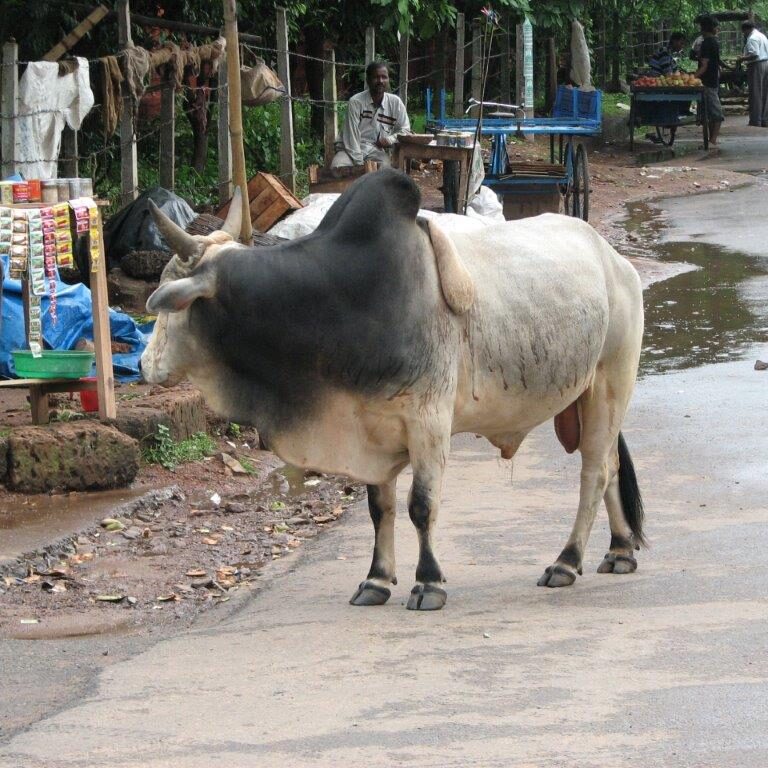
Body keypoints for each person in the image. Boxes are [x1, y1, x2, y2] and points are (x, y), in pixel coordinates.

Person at [331, 61, 411, 168]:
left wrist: (389, 140)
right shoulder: (356, 102)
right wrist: (360, 165)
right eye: (376, 77)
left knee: (384, 169)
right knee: (338, 168)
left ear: (388, 80)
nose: (380, 81)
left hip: (375, 151)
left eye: (384, 77)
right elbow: (351, 138)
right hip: (349, 150)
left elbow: (405, 130)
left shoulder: (395, 103)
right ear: (368, 80)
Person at [695, 16, 726, 147]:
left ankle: (712, 140)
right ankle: (710, 140)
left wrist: (693, 77)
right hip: (713, 80)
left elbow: (704, 66)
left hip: (707, 82)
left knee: (715, 113)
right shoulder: (714, 42)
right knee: (709, 113)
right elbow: (717, 61)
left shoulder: (707, 43)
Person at [735, 20, 768, 126]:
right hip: (766, 63)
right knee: (764, 93)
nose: (744, 34)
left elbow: (755, 54)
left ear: (746, 29)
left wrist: (742, 58)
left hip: (757, 65)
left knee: (755, 93)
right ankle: (764, 119)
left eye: (743, 31)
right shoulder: (762, 36)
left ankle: (755, 120)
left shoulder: (752, 38)